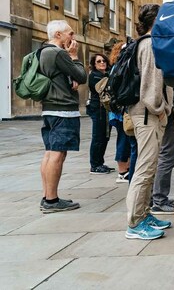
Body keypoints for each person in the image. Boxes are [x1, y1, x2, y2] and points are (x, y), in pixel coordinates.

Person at [125, 4, 173, 240]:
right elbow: (151, 86)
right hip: (147, 114)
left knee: (150, 167)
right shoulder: (151, 45)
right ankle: (134, 223)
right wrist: (162, 110)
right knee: (144, 170)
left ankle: (144, 215)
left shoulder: (143, 43)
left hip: (146, 114)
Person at [38, 20, 87, 213]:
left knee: (50, 152)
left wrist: (70, 77)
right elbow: (82, 76)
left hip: (49, 107)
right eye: (70, 33)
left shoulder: (41, 51)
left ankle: (47, 196)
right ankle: (52, 200)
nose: (73, 38)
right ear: (58, 34)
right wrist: (74, 57)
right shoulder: (58, 52)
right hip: (63, 108)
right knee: (58, 153)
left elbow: (65, 76)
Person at [108, 41, 135, 183]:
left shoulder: (116, 67)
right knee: (123, 140)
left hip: (118, 110)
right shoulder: (120, 68)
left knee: (125, 139)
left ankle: (126, 168)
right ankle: (122, 171)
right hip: (119, 111)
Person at [86, 53, 114, 175]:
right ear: (94, 64)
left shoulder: (106, 75)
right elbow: (107, 86)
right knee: (98, 137)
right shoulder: (94, 76)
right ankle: (95, 165)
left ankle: (100, 162)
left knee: (105, 137)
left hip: (106, 110)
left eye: (104, 61)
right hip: (98, 109)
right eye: (99, 61)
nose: (102, 63)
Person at [151, 104, 174, 213]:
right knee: (167, 156)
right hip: (166, 112)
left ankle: (154, 198)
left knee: (163, 155)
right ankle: (159, 200)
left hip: (163, 112)